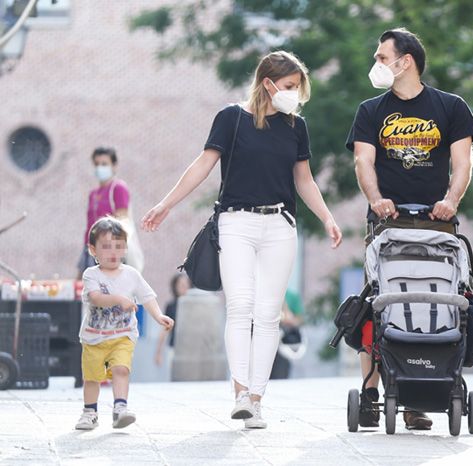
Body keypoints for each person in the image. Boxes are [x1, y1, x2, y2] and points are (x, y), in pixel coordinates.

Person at [141, 51, 342, 430]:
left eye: (297, 88)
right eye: (288, 86)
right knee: (240, 307)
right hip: (236, 224)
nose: (294, 94)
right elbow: (203, 164)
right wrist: (166, 204)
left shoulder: (296, 127)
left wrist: (328, 217)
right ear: (267, 83)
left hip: (280, 226)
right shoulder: (231, 118)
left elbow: (304, 179)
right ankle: (239, 394)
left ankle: (257, 400)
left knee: (268, 315)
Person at [346, 28, 473, 430]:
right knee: (376, 304)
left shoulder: (450, 107)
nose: (377, 64)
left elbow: (463, 164)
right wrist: (375, 199)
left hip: (437, 223)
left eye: (382, 57)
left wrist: (451, 201)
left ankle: (426, 389)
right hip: (387, 224)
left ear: (405, 62)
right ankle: (372, 390)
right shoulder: (370, 111)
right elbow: (363, 163)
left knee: (438, 300)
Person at [75, 217, 174, 430]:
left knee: (121, 370)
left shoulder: (131, 275)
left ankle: (120, 408)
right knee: (92, 378)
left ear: (125, 249)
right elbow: (95, 298)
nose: (113, 252)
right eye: (107, 246)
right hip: (94, 338)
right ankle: (89, 412)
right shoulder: (91, 274)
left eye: (119, 246)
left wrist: (158, 316)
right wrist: (119, 300)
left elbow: (147, 297)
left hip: (122, 336)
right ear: (93, 249)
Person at [77, 147, 131, 279]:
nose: (100, 167)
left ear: (114, 166)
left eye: (104, 164)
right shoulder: (93, 193)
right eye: (97, 164)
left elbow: (122, 220)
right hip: (90, 248)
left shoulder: (118, 188)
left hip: (108, 250)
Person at [154, 272, 191, 369]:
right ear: (175, 286)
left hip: (191, 349)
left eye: (186, 284)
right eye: (181, 285)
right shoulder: (171, 306)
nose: (184, 287)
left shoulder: (193, 305)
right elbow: (164, 330)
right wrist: (158, 352)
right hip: (174, 347)